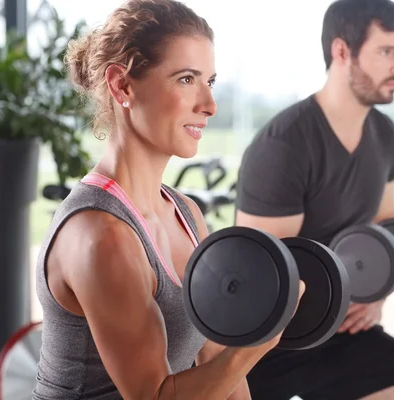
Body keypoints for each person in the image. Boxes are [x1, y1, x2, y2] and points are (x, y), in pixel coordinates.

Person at [32, 1, 304, 399]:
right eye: (185, 79)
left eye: (209, 81)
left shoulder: (186, 213)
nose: (208, 105)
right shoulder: (99, 235)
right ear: (122, 85)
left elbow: (216, 365)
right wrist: (258, 343)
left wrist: (242, 354)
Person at [234, 0, 394, 399]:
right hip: (270, 350)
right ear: (342, 52)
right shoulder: (285, 145)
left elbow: (383, 229)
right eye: (386, 52)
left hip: (345, 335)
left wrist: (377, 295)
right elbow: (261, 280)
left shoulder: (386, 136)